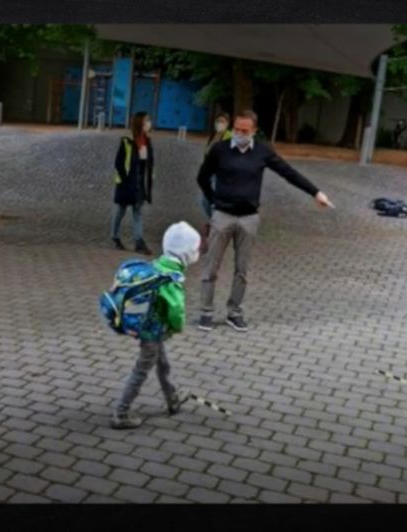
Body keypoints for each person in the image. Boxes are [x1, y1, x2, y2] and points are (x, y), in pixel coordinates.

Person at [196, 109, 332, 333]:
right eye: (236, 129)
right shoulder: (219, 150)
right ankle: (206, 312)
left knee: (242, 269)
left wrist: (316, 193)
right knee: (211, 266)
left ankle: (234, 312)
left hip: (249, 218)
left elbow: (289, 173)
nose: (239, 133)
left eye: (244, 130)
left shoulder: (262, 151)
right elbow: (202, 177)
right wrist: (213, 201)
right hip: (222, 215)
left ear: (254, 131)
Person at [110, 221, 201, 429]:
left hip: (148, 327)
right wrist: (177, 327)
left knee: (163, 364)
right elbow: (176, 309)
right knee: (141, 370)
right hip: (152, 332)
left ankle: (172, 400)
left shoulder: (157, 265)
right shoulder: (171, 278)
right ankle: (121, 413)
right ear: (187, 253)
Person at [111, 112, 155, 255]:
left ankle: (139, 242)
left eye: (149, 120)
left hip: (140, 183)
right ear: (139, 123)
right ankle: (115, 236)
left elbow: (149, 164)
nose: (149, 123)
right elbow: (118, 163)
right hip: (127, 183)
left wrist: (148, 181)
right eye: (146, 120)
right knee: (121, 210)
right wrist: (125, 180)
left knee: (138, 212)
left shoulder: (147, 141)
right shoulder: (127, 141)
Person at [199, 112, 233, 253]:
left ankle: (215, 235)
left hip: (221, 175)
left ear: (228, 123)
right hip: (210, 174)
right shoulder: (213, 136)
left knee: (213, 203)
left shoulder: (229, 137)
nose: (219, 123)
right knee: (204, 201)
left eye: (223, 121)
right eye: (218, 120)